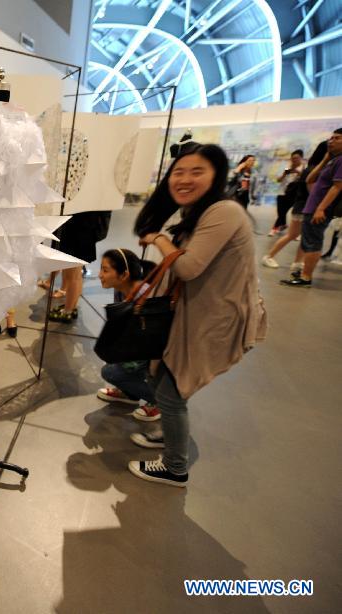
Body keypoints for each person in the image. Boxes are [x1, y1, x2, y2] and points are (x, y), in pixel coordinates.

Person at [131, 143, 266, 487]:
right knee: (164, 384)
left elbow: (188, 267)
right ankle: (169, 435)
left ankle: (175, 467)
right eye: (179, 172)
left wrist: (160, 238)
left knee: (171, 393)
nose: (185, 179)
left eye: (197, 171)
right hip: (196, 314)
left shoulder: (225, 211)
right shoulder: (201, 213)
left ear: (216, 176)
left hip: (215, 319)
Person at [95, 248, 160, 422]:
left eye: (105, 270)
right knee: (111, 357)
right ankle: (130, 394)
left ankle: (160, 401)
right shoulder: (121, 289)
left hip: (153, 353)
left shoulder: (145, 296)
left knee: (110, 372)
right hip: (139, 345)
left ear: (124, 274)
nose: (100, 274)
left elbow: (152, 337)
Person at [279, 128, 342, 287]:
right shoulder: (333, 160)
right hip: (312, 207)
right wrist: (325, 159)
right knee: (308, 242)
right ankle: (304, 275)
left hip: (319, 209)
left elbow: (337, 187)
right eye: (331, 138)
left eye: (337, 138)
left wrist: (320, 208)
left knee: (313, 242)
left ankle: (306, 278)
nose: (331, 141)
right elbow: (310, 179)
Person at [262, 141, 328, 271]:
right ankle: (269, 256)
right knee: (292, 235)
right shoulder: (313, 170)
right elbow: (312, 192)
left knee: (303, 236)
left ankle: (297, 262)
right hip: (303, 206)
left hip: (303, 206)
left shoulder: (310, 168)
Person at [270, 149, 305, 236]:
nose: (294, 160)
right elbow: (278, 180)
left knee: (283, 211)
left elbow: (305, 181)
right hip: (282, 191)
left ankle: (274, 228)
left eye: (296, 158)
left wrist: (299, 173)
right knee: (280, 211)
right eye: (292, 158)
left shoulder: (304, 168)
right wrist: (284, 173)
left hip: (293, 194)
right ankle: (283, 225)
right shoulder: (287, 167)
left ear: (301, 158)